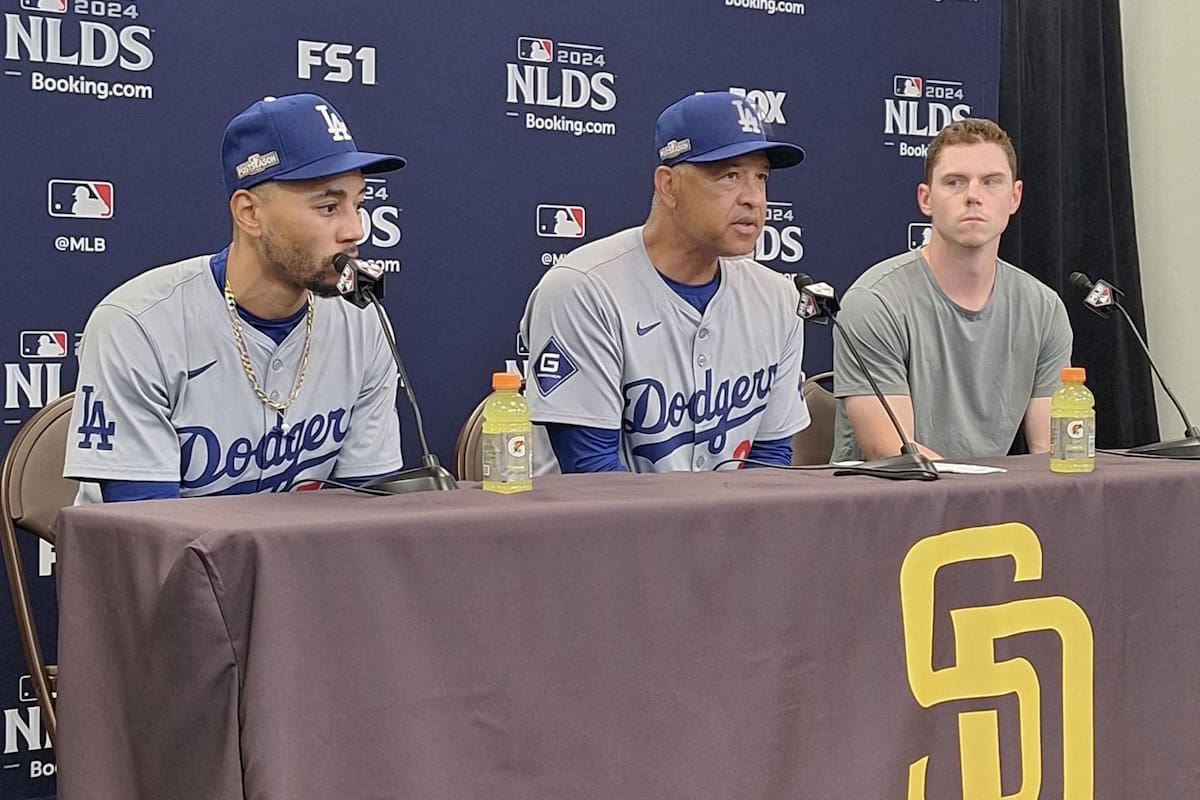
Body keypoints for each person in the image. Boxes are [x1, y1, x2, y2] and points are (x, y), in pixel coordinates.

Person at [64, 93, 407, 501]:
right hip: (169, 562)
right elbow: (148, 538)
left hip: (304, 565)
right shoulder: (138, 324)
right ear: (249, 213)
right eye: (329, 207)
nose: (355, 230)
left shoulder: (363, 323)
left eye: (359, 203)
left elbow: (365, 515)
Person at [520, 91, 810, 473]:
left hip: (728, 530)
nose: (754, 199)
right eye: (730, 176)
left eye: (761, 178)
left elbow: (770, 461)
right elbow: (591, 475)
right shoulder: (583, 289)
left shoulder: (778, 297)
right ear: (668, 185)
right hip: (598, 528)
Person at [831, 118, 1072, 461]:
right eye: (955, 182)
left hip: (989, 505)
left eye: (991, 183)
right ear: (926, 199)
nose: (973, 197)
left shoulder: (1044, 309)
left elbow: (1052, 451)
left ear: (1014, 197)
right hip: (887, 506)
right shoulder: (875, 303)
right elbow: (894, 453)